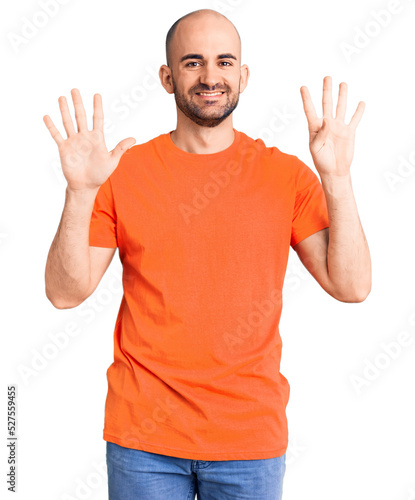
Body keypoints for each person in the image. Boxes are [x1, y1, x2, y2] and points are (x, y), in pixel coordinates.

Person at [43, 8, 371, 500]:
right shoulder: (122, 173)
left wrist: (338, 179)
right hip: (143, 442)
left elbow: (353, 286)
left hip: (249, 439)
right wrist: (79, 193)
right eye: (193, 62)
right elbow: (64, 294)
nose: (210, 76)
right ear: (166, 76)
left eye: (224, 61)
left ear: (243, 75)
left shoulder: (286, 176)